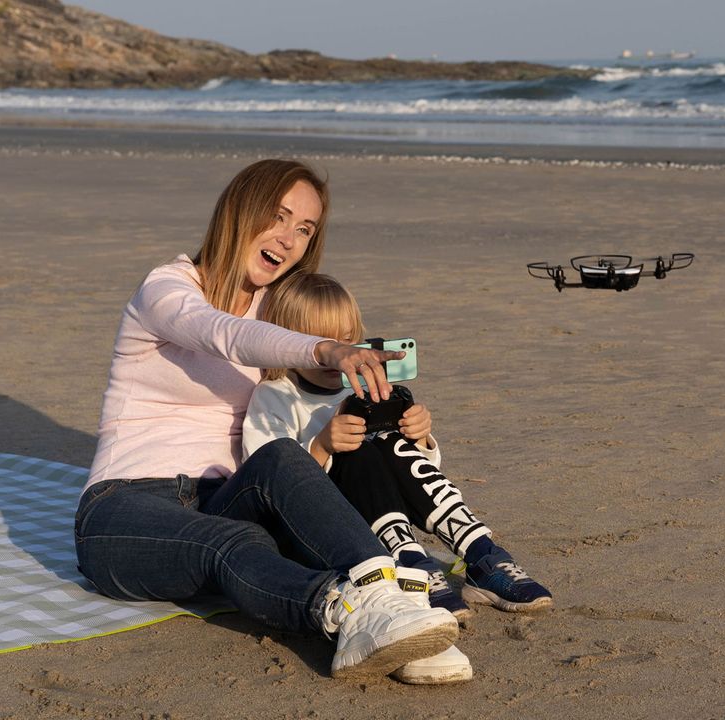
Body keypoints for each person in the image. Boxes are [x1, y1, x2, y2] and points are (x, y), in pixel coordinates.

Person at [73, 159, 460, 684]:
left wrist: (403, 423)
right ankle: (344, 614)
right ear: (240, 211)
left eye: (304, 229)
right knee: (232, 545)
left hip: (229, 494)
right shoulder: (166, 291)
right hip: (124, 507)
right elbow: (221, 332)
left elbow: (312, 412)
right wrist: (323, 348)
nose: (289, 238)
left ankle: (391, 602)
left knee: (281, 457)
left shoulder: (277, 311)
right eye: (278, 217)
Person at [241, 272, 554, 622]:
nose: (339, 353)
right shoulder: (275, 396)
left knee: (387, 438)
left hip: (382, 514)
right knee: (357, 448)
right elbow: (267, 480)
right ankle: (410, 565)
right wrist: (323, 446)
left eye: (347, 340)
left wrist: (419, 436)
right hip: (320, 531)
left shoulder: (361, 387)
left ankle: (482, 555)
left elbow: (415, 470)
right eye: (323, 342)